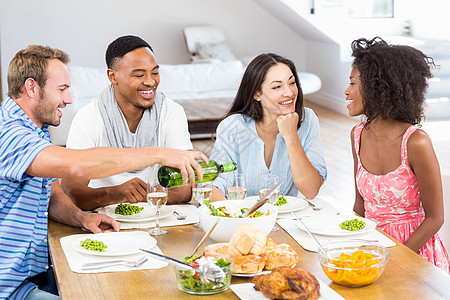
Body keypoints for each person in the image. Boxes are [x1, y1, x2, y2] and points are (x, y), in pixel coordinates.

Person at [0, 45, 207, 299]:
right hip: (10, 287)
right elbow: (78, 165)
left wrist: (81, 218)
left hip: (37, 274)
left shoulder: (34, 129)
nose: (68, 99)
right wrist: (160, 153)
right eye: (62, 89)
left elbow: (52, 192)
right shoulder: (10, 134)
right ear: (32, 88)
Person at [346, 37, 449, 271]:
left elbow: (435, 218)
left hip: (415, 254)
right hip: (372, 251)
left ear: (378, 87)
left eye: (353, 83)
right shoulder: (357, 135)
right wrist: (349, 244)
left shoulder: (416, 142)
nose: (347, 91)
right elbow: (360, 205)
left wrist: (396, 260)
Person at [61, 35, 194, 210]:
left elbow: (185, 188)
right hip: (106, 224)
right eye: (139, 75)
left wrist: (146, 194)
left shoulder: (171, 112)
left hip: (160, 221)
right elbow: (71, 192)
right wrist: (114, 193)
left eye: (155, 72)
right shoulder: (89, 117)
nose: (150, 81)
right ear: (113, 76)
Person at [209, 53, 327, 201]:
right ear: (256, 94)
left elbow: (310, 190)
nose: (289, 92)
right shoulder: (234, 126)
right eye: (277, 87)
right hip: (241, 218)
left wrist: (291, 137)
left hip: (286, 221)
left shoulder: (307, 119)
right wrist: (237, 220)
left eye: (292, 83)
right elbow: (214, 187)